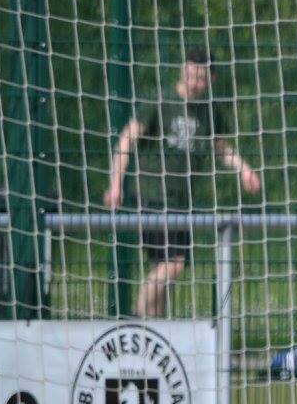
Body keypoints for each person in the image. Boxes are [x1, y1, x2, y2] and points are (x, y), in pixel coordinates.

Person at [103, 48, 261, 317]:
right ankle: (136, 315)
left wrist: (244, 170)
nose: (193, 83)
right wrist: (116, 184)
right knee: (173, 265)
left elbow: (221, 148)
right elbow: (126, 140)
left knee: (167, 278)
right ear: (182, 71)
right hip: (152, 195)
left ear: (211, 79)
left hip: (180, 201)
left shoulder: (208, 111)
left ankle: (153, 330)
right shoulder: (160, 101)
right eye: (189, 75)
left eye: (200, 78)